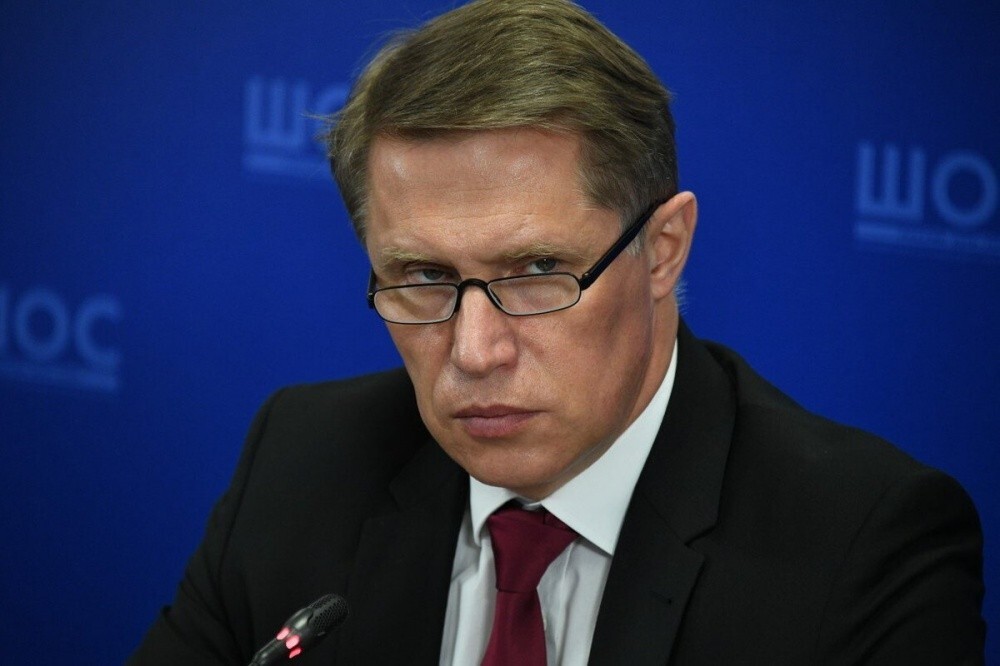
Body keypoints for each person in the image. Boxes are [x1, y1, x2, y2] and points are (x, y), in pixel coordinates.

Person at [130, 0, 985, 663]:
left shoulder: (862, 547)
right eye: (423, 277)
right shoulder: (301, 465)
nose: (474, 352)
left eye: (537, 270)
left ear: (662, 249)